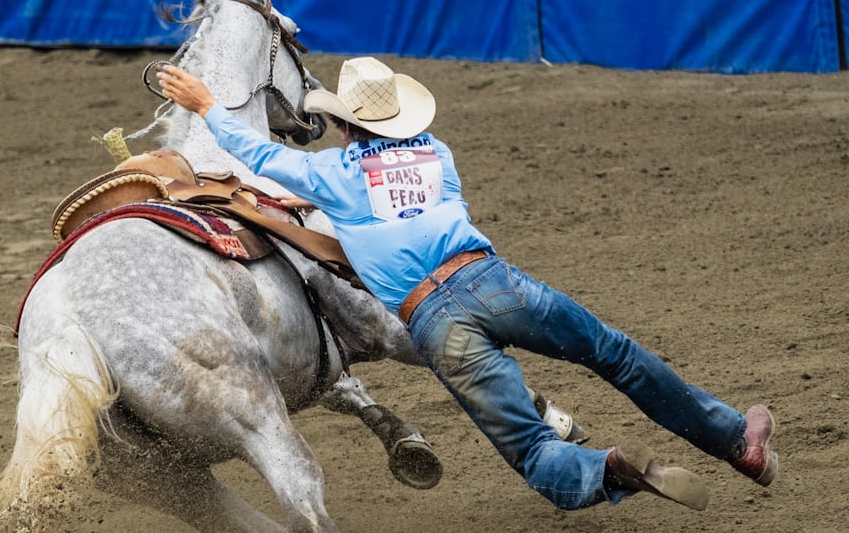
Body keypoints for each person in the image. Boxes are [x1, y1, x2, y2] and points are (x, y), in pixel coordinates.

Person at [157, 56, 777, 511]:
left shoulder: (335, 173)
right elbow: (402, 205)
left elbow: (260, 157)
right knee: (614, 354)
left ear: (345, 127)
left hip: (434, 319)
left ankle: (607, 471)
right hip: (492, 281)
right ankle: (736, 442)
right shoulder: (438, 156)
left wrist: (208, 104)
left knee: (532, 451)